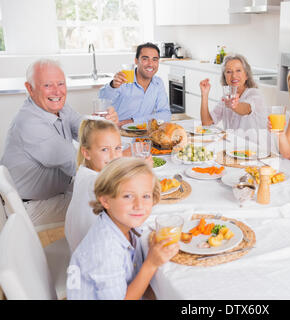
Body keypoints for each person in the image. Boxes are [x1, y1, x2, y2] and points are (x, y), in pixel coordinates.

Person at [0, 59, 118, 228]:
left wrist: (104, 125)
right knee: (111, 204)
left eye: (61, 83)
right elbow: (81, 165)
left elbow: (83, 129)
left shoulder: (56, 106)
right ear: (29, 88)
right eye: (47, 85)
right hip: (33, 207)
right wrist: (123, 156)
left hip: (54, 190)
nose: (57, 91)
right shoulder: (30, 124)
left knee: (111, 194)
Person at [67, 157, 179, 300]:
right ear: (106, 200)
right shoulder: (105, 251)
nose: (139, 205)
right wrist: (151, 264)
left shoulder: (125, 226)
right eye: (128, 196)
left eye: (145, 196)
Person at [64, 119, 123, 253]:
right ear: (86, 153)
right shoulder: (97, 183)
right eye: (104, 149)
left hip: (83, 248)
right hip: (94, 258)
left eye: (118, 148)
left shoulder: (85, 170)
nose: (114, 156)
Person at [99, 42, 171, 127]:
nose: (150, 64)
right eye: (145, 59)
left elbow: (165, 114)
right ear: (136, 61)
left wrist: (133, 121)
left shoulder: (158, 83)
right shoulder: (124, 79)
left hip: (141, 132)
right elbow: (102, 98)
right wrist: (113, 86)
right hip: (117, 130)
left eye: (154, 59)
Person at [199, 53, 266, 130]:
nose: (234, 75)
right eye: (229, 72)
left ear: (246, 75)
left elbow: (246, 109)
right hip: (233, 141)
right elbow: (207, 123)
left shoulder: (254, 94)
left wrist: (234, 105)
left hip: (252, 141)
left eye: (238, 70)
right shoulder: (226, 97)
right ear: (225, 77)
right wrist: (204, 95)